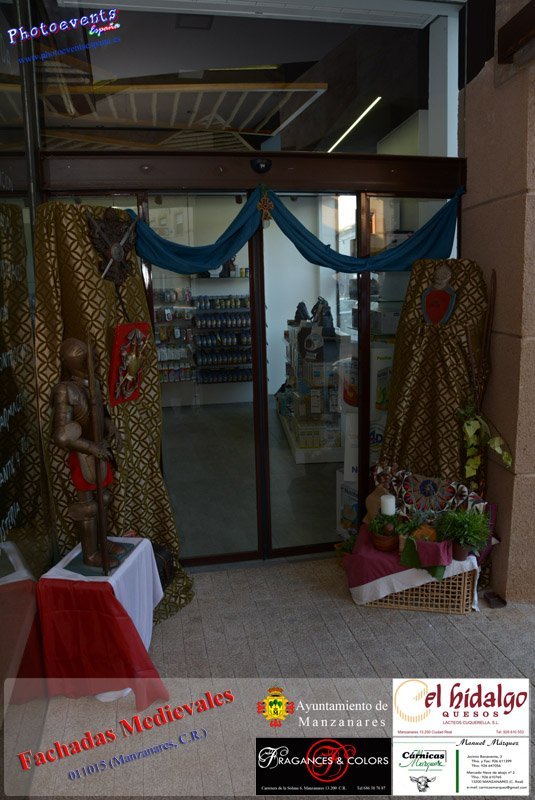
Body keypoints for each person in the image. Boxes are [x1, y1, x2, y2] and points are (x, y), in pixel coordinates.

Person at [51, 338, 124, 568]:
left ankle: (103, 541)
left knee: (104, 498)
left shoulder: (93, 383)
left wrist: (111, 428)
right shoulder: (65, 390)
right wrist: (92, 448)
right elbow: (61, 435)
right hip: (83, 453)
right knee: (88, 507)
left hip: (100, 448)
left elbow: (101, 415)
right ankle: (90, 554)